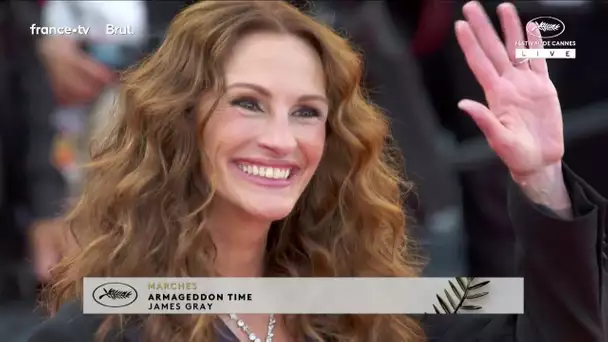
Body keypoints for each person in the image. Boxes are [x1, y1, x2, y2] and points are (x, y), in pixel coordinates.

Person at [29, 1, 606, 341]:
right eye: (247, 102)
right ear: (179, 121)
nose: (281, 140)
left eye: (306, 112)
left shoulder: (381, 301)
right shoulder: (102, 324)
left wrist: (542, 181)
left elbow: (559, 331)